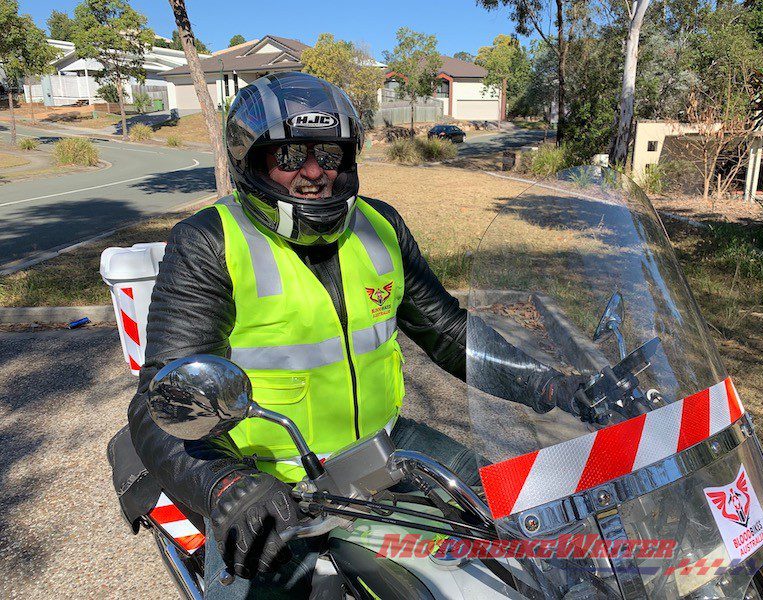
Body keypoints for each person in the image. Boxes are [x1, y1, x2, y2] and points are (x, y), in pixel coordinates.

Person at [127, 72, 584, 599]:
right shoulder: (209, 242)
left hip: (385, 447)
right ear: (252, 162)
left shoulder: (379, 225)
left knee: (517, 529)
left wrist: (553, 387)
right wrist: (225, 484)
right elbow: (161, 400)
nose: (315, 173)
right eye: (291, 156)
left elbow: (446, 328)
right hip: (268, 477)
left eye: (329, 153)